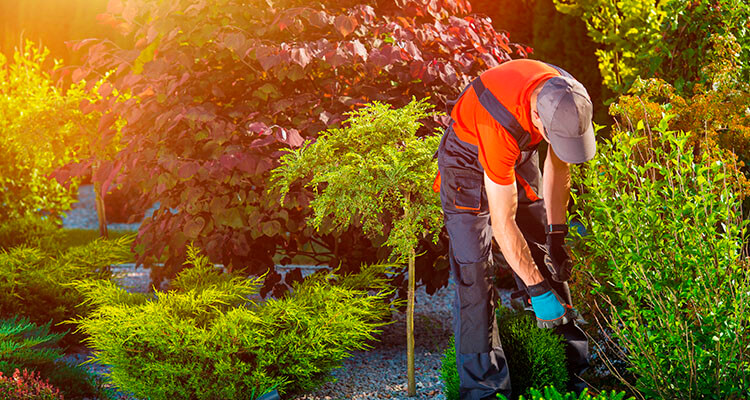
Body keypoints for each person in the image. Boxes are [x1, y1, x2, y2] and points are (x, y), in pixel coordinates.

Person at [435, 58, 595, 399]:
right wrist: (537, 290)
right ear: (537, 118)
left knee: (541, 252)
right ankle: (485, 390)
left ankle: (570, 375)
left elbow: (558, 169)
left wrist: (556, 234)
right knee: (475, 272)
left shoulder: (566, 97)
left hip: (517, 156)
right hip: (466, 161)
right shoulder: (498, 126)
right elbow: (503, 225)